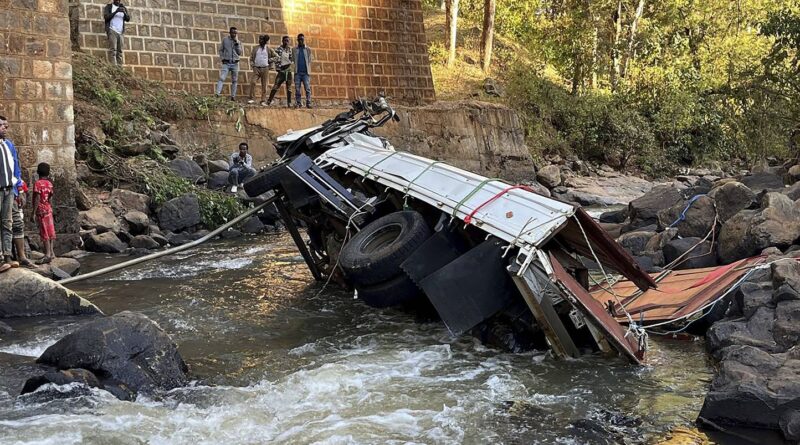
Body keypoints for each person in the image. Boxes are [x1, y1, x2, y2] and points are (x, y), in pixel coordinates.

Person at [0, 116, 22, 273]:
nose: (4, 128)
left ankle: (8, 256)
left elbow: (15, 165)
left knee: (7, 223)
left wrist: (17, 186)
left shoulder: (7, 145)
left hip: (8, 189)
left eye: (5, 126)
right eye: (1, 126)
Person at [33, 163, 56, 264]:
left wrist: (33, 212)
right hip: (48, 209)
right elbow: (51, 198)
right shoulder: (50, 184)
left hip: (41, 210)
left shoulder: (38, 183)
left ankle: (47, 254)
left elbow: (37, 198)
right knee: (50, 230)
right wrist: (51, 208)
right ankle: (51, 252)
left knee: (44, 231)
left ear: (38, 172)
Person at [215, 27, 243, 101]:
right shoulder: (225, 40)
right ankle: (217, 94)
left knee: (234, 80)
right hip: (226, 63)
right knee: (222, 78)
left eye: (235, 33)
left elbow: (240, 53)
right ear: (230, 33)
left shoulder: (238, 42)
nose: (234, 34)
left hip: (235, 63)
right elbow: (221, 50)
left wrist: (237, 44)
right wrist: (222, 58)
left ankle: (233, 96)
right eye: (233, 33)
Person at [248, 35, 276, 106]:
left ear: (264, 41)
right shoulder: (255, 48)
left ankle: (263, 100)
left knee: (264, 85)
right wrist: (253, 65)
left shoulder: (269, 49)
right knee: (253, 82)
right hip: (256, 68)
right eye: (259, 39)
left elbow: (277, 57)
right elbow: (251, 58)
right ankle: (252, 98)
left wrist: (270, 60)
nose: (260, 41)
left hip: (265, 68)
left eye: (261, 40)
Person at [11, 180, 33, 268]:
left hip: (16, 206)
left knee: (17, 228)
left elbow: (24, 194)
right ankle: (14, 256)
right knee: (12, 230)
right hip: (14, 205)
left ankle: (21, 256)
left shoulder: (19, 182)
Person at [267, 36, 293, 107]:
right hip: (281, 71)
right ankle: (269, 100)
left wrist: (290, 62)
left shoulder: (290, 50)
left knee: (289, 88)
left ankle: (289, 103)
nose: (286, 42)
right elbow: (274, 57)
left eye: (287, 41)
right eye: (285, 41)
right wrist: (275, 64)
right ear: (282, 41)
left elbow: (291, 59)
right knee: (275, 86)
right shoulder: (278, 49)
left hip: (288, 70)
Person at [103, 0, 131, 66]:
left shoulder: (123, 7)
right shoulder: (109, 7)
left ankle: (120, 67)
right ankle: (114, 66)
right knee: (113, 50)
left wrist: (124, 12)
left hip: (120, 32)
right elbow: (106, 17)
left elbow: (128, 19)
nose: (118, 1)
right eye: (116, 0)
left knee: (120, 51)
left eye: (119, 0)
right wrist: (116, 11)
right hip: (112, 30)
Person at [292, 33, 313, 108]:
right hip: (297, 72)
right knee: (297, 89)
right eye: (299, 39)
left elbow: (310, 59)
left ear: (304, 40)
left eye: (302, 39)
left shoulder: (308, 49)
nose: (301, 41)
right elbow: (293, 59)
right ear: (297, 40)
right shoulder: (294, 49)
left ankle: (309, 103)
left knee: (307, 88)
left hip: (305, 73)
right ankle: (298, 103)